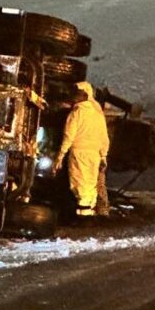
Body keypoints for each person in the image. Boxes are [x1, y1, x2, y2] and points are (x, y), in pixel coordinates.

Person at [52, 81, 110, 219]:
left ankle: (83, 217)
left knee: (79, 184)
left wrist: (60, 156)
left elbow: (68, 136)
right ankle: (89, 213)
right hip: (94, 155)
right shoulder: (98, 113)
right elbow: (104, 138)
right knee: (90, 185)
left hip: (79, 153)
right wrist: (103, 156)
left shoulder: (77, 113)